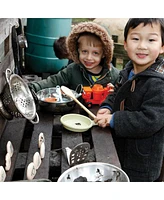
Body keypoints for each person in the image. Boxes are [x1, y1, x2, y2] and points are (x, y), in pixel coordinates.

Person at [94, 18, 164, 182]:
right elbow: (117, 91)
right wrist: (108, 106)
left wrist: (114, 119)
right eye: (135, 38)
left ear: (162, 47)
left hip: (142, 161)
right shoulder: (127, 71)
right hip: (120, 148)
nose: (142, 45)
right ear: (125, 44)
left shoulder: (158, 83)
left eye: (151, 40)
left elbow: (149, 120)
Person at [28, 21, 120, 93]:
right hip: (76, 115)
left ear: (104, 54)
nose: (88, 57)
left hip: (102, 116)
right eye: (84, 51)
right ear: (77, 50)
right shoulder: (72, 70)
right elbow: (52, 81)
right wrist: (31, 88)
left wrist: (115, 93)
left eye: (95, 53)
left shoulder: (114, 76)